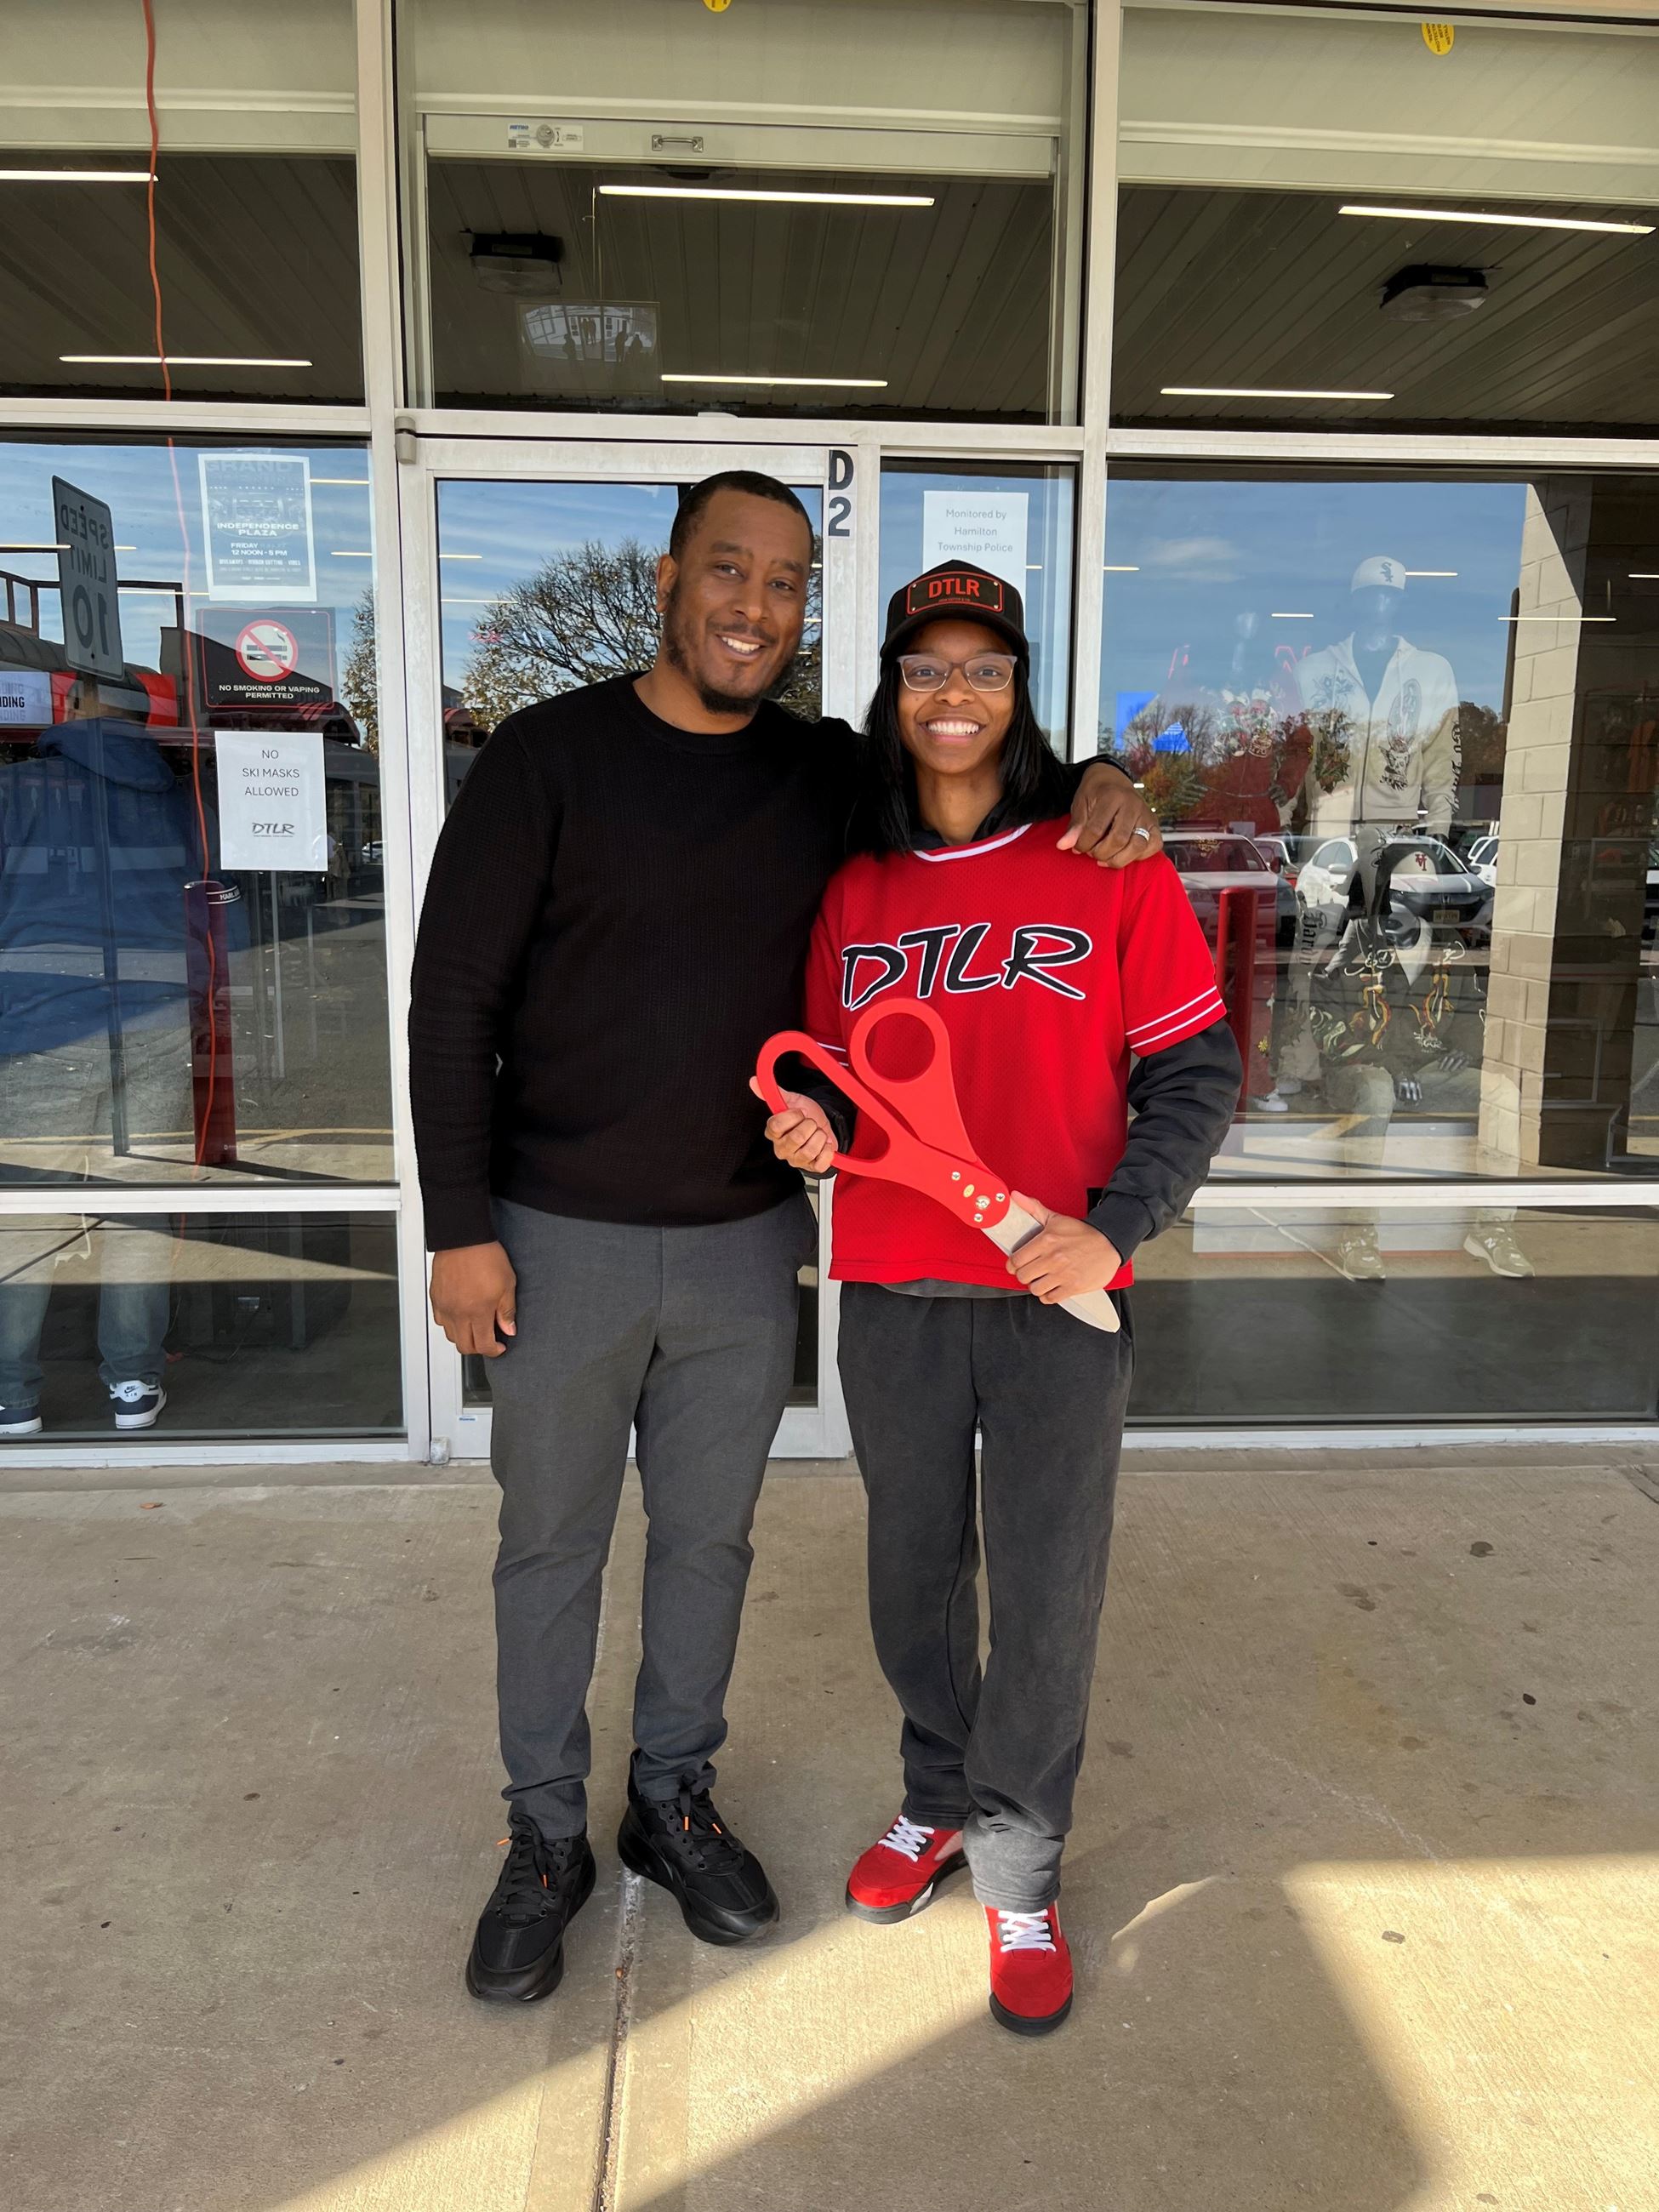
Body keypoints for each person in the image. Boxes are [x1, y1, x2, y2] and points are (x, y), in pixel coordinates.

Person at [407, 472, 1164, 2006]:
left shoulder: (824, 774)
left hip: (751, 1245)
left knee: (709, 1546)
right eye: (729, 571)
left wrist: (1110, 782)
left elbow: (964, 754)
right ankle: (544, 1838)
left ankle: (671, 1800)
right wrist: (461, 1228)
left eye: (786, 584)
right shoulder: (547, 757)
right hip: (559, 1238)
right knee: (550, 1546)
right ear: (673, 577)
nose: (755, 606)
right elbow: (450, 1003)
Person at [760, 564, 1240, 2036]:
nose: (952, 695)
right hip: (898, 1285)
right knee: (912, 1576)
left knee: (1042, 1590)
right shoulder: (856, 884)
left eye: (982, 668)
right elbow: (839, 1084)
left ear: (1018, 691)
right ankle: (935, 1803)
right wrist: (812, 1137)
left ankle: (1020, 1868)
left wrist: (1113, 1232)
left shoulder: (1107, 860)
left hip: (1057, 1295)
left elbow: (1198, 1074)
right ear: (891, 695)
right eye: (924, 670)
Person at [0, 676, 200, 1438]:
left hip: (41, 1023)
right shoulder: (175, 798)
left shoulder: (19, 791)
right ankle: (133, 1387)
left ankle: (12, 1396)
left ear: (74, 704)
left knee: (25, 1216)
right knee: (138, 1211)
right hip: (157, 1016)